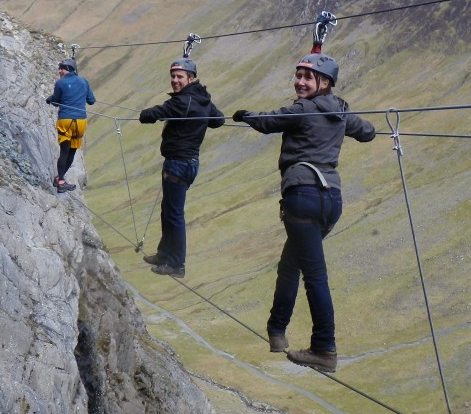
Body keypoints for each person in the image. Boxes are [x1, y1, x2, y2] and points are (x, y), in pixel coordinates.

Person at [232, 52, 375, 372]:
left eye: (307, 77)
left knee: (314, 276)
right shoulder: (340, 112)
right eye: (298, 75)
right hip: (331, 201)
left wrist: (245, 115)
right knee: (290, 264)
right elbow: (367, 132)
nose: (299, 82)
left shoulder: (304, 109)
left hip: (302, 197)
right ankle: (277, 331)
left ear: (324, 83)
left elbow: (269, 121)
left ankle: (324, 349)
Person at [138, 58, 225, 278]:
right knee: (169, 210)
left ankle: (176, 265)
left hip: (178, 164)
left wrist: (143, 114)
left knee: (174, 214)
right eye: (173, 76)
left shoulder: (181, 102)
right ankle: (164, 253)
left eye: (180, 77)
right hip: (188, 164)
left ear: (191, 78)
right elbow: (218, 120)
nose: (175, 80)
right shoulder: (202, 99)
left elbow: (153, 114)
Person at [46, 57, 96, 193]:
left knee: (64, 152)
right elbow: (91, 101)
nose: (59, 71)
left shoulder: (60, 83)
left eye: (61, 68)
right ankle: (60, 178)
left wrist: (50, 99)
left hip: (66, 121)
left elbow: (56, 102)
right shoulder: (83, 81)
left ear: (67, 69)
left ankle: (60, 180)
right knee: (72, 151)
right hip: (80, 122)